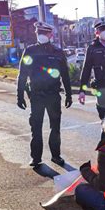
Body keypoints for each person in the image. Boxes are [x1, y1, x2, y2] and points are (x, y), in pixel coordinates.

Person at [17, 21, 72, 167]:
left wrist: (69, 94)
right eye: (39, 33)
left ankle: (56, 156)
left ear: (50, 34)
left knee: (55, 127)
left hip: (53, 95)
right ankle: (36, 158)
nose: (41, 35)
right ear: (36, 34)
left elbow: (65, 75)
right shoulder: (30, 51)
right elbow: (22, 74)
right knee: (36, 127)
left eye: (44, 33)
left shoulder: (57, 52)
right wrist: (20, 95)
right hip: (36, 95)